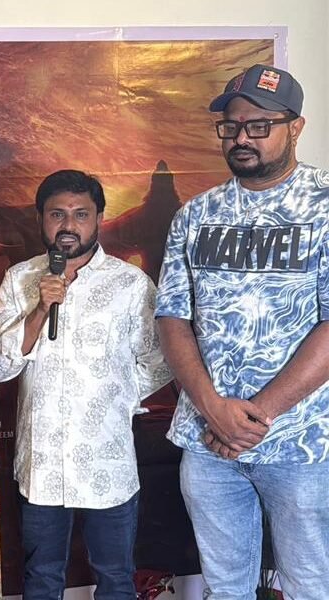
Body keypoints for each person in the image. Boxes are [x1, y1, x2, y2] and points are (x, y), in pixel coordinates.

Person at [155, 63, 329, 599]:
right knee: (225, 588)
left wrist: (256, 418)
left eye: (259, 126)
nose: (242, 138)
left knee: (309, 585)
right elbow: (172, 318)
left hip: (301, 442)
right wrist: (214, 410)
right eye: (230, 127)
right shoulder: (196, 215)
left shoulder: (324, 206)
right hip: (208, 440)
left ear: (295, 127)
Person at [0, 169, 172, 599]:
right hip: (42, 463)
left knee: (115, 577)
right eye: (57, 214)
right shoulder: (20, 279)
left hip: (108, 460)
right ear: (41, 218)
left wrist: (115, 398)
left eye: (80, 214)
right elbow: (0, 366)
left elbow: (159, 361)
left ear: (99, 218)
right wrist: (39, 309)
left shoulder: (130, 284)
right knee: (41, 577)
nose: (68, 225)